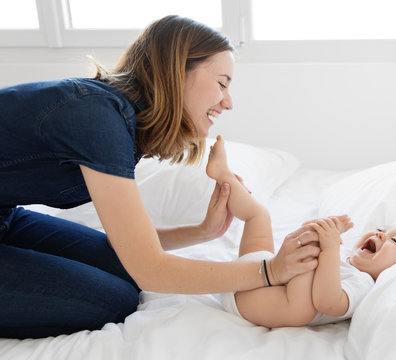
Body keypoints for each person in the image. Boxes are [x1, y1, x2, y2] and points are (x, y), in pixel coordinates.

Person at [0, 16, 320, 339]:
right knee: (114, 300)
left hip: (6, 217)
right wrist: (268, 271)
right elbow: (151, 269)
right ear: (177, 71)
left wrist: (202, 232)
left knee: (121, 273)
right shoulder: (98, 120)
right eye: (222, 83)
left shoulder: (117, 117)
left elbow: (133, 248)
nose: (229, 102)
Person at [206, 135, 396, 327]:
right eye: (381, 229)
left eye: (395, 241)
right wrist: (316, 237)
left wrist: (326, 247)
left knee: (303, 308)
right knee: (259, 217)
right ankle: (224, 176)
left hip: (257, 299)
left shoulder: (363, 283)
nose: (380, 234)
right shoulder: (344, 255)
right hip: (256, 273)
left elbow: (328, 302)